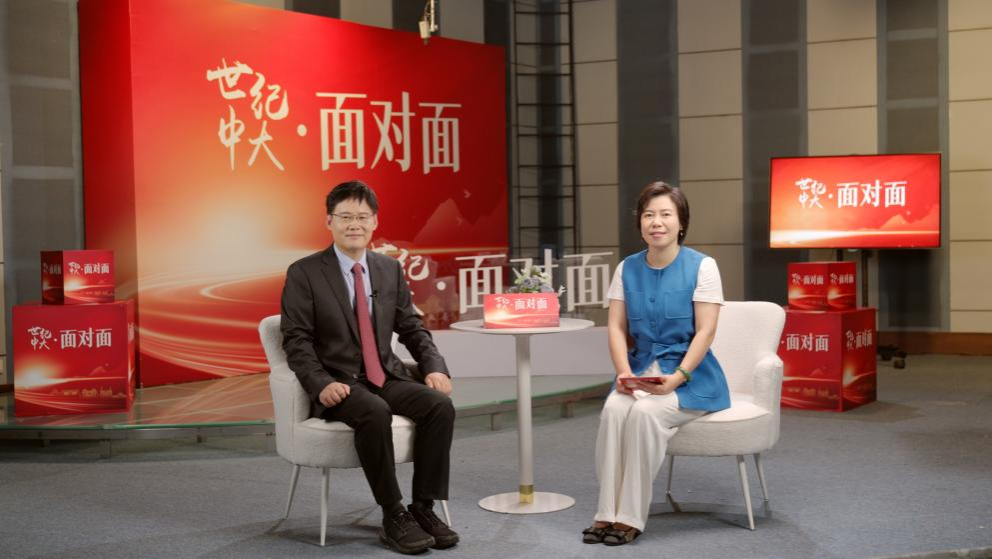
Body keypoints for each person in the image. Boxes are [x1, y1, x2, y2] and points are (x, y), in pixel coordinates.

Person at [280, 180, 459, 554]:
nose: (354, 224)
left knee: (439, 406)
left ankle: (423, 508)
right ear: (329, 221)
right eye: (345, 216)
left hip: (385, 375)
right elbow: (296, 340)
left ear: (375, 222)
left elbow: (411, 327)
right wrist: (320, 383)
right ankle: (393, 514)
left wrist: (434, 367)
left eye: (362, 217)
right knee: (374, 412)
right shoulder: (305, 273)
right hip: (339, 384)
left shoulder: (388, 269)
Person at [582, 181, 731, 546]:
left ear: (681, 223)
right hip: (639, 371)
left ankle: (630, 518)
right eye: (649, 215)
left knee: (646, 414)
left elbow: (706, 331)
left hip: (691, 376)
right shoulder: (627, 268)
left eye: (666, 214)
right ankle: (606, 512)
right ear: (640, 222)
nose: (656, 222)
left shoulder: (703, 266)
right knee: (614, 410)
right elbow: (616, 328)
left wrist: (678, 377)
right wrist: (623, 372)